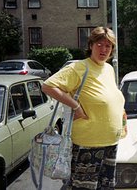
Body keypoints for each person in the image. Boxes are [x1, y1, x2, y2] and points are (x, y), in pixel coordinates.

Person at [42, 26, 125, 190]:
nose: (104, 49)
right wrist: (76, 106)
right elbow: (48, 86)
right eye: (99, 44)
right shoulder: (79, 67)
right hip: (88, 144)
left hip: (110, 142)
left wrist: (121, 114)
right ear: (91, 45)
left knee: (105, 186)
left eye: (108, 46)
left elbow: (110, 96)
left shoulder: (108, 69)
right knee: (83, 187)